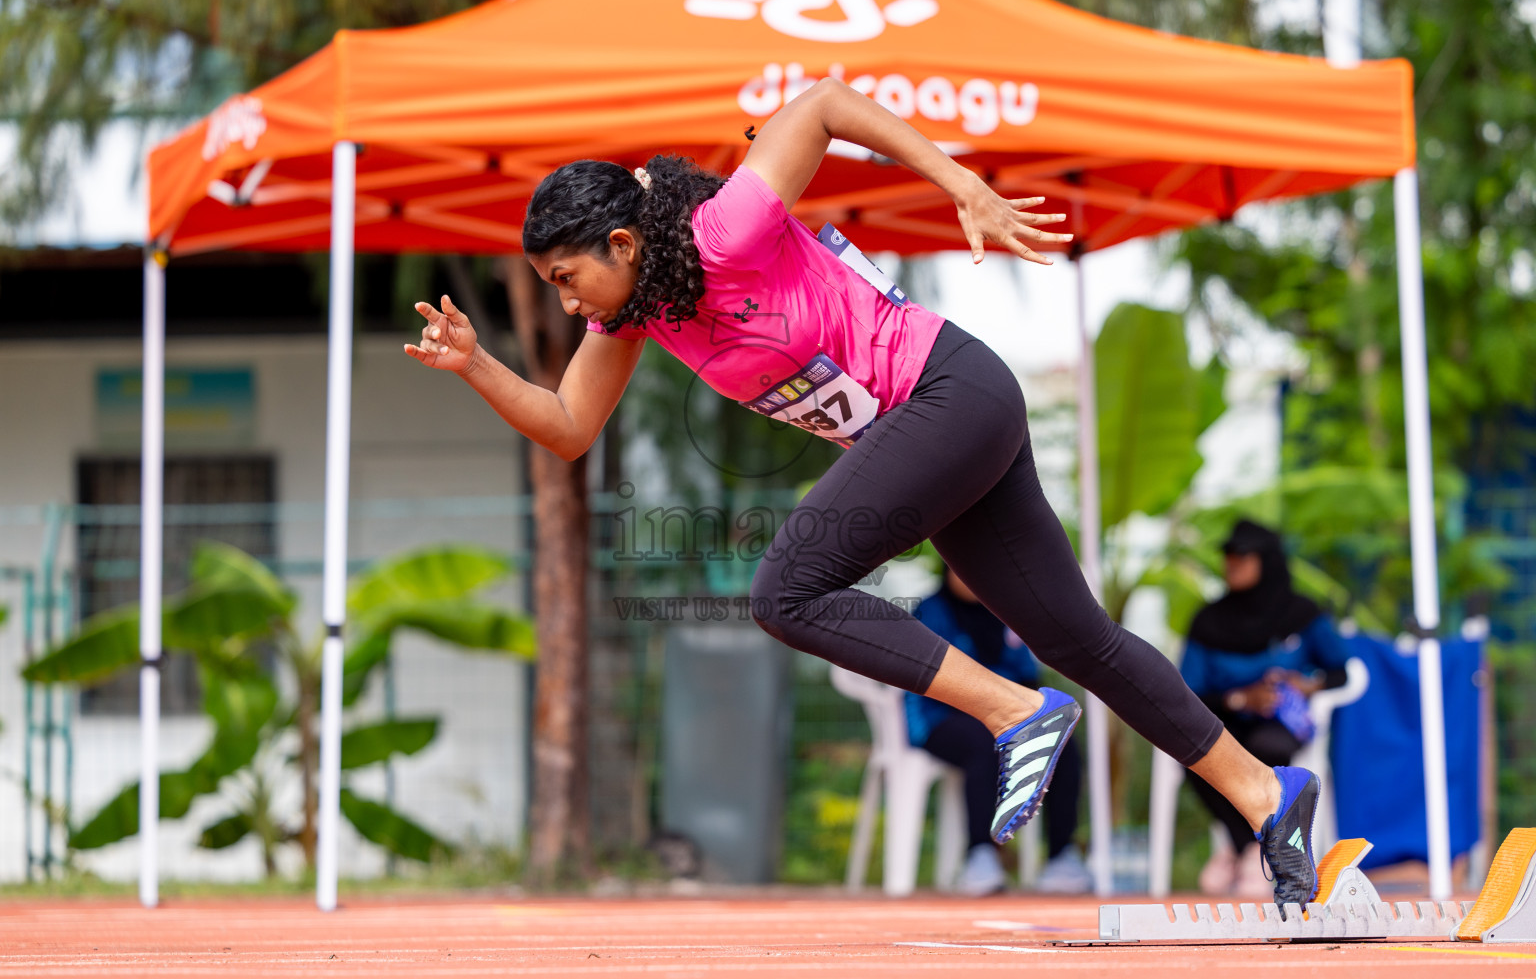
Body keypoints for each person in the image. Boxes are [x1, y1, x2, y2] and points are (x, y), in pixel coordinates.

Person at [405, 76, 1322, 906]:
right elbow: (567, 428)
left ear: (621, 241)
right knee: (1076, 636)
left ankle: (1018, 709)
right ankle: (1264, 793)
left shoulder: (725, 228)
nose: (570, 305)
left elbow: (824, 103)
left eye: (569, 281)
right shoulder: (638, 315)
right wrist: (478, 364)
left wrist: (960, 184)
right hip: (939, 431)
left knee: (785, 590)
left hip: (949, 393)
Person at [1180, 519, 1351, 898]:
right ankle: (1248, 847)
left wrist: (1308, 684)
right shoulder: (1208, 620)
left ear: (1267, 561)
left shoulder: (1301, 613)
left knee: (1268, 749)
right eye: (1227, 555)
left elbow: (1341, 671)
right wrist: (1242, 698)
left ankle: (1245, 851)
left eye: (1242, 555)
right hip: (1224, 720)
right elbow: (1187, 691)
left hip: (1279, 724)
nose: (1231, 563)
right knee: (1194, 753)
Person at [907, 564, 1090, 895]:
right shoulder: (930, 612)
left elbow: (1027, 676)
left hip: (1007, 717)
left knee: (1063, 742)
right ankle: (980, 854)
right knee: (983, 742)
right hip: (940, 719)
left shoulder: (1003, 614)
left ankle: (1062, 855)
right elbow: (924, 680)